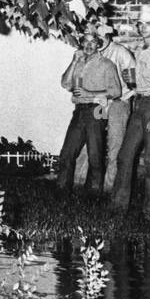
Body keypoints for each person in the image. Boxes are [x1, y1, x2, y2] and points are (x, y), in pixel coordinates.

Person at [111, 6, 150, 221]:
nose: (142, 27)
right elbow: (136, 80)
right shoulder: (140, 51)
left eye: (146, 24)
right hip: (139, 104)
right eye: (140, 24)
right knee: (125, 155)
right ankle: (118, 208)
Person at [56, 30, 121, 195]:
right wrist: (73, 61)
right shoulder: (78, 62)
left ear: (99, 44)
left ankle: (94, 194)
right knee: (67, 152)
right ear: (81, 43)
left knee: (95, 153)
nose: (89, 45)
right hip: (79, 110)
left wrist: (89, 94)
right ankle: (61, 193)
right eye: (86, 41)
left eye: (93, 42)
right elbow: (65, 84)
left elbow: (115, 91)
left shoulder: (107, 64)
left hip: (98, 108)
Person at [97, 21, 137, 191]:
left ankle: (110, 187)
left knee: (115, 143)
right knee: (90, 140)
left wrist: (119, 94)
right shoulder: (92, 52)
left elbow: (133, 82)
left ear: (106, 35)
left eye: (99, 36)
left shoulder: (120, 52)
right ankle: (80, 181)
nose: (95, 40)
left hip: (119, 103)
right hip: (99, 103)